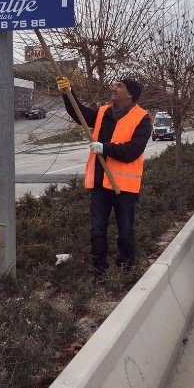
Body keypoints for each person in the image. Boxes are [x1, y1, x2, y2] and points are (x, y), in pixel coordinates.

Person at [56, 76, 152, 279]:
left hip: (124, 187)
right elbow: (79, 113)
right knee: (97, 230)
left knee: (125, 232)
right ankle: (100, 270)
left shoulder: (142, 119)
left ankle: (127, 270)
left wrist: (105, 148)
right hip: (100, 185)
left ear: (130, 94)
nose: (114, 88)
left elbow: (132, 151)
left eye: (120, 86)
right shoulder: (103, 112)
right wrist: (68, 93)